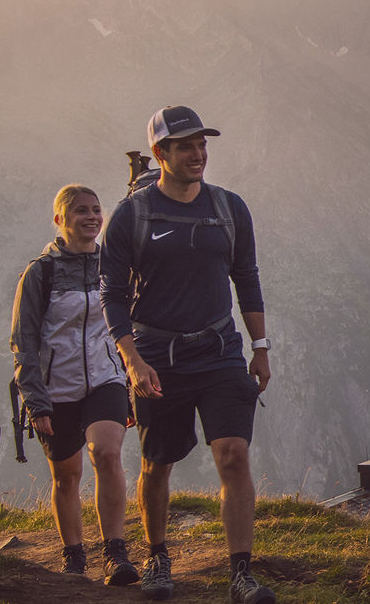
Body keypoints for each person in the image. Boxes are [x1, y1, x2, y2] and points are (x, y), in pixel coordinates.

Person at [100, 106, 274, 604]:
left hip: (220, 352)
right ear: (160, 153)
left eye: (202, 145)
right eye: (185, 147)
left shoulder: (229, 208)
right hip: (158, 358)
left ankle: (241, 574)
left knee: (233, 455)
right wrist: (132, 361)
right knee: (157, 462)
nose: (198, 154)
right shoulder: (132, 215)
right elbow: (112, 293)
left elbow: (247, 278)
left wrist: (260, 347)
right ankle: (157, 557)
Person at [10, 184, 141, 586]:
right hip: (56, 388)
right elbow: (23, 341)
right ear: (60, 219)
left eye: (96, 210)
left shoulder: (113, 266)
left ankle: (115, 552)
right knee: (66, 476)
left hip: (106, 379)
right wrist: (36, 402)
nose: (92, 217)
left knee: (107, 453)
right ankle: (74, 557)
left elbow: (131, 324)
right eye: (81, 210)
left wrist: (133, 380)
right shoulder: (41, 272)